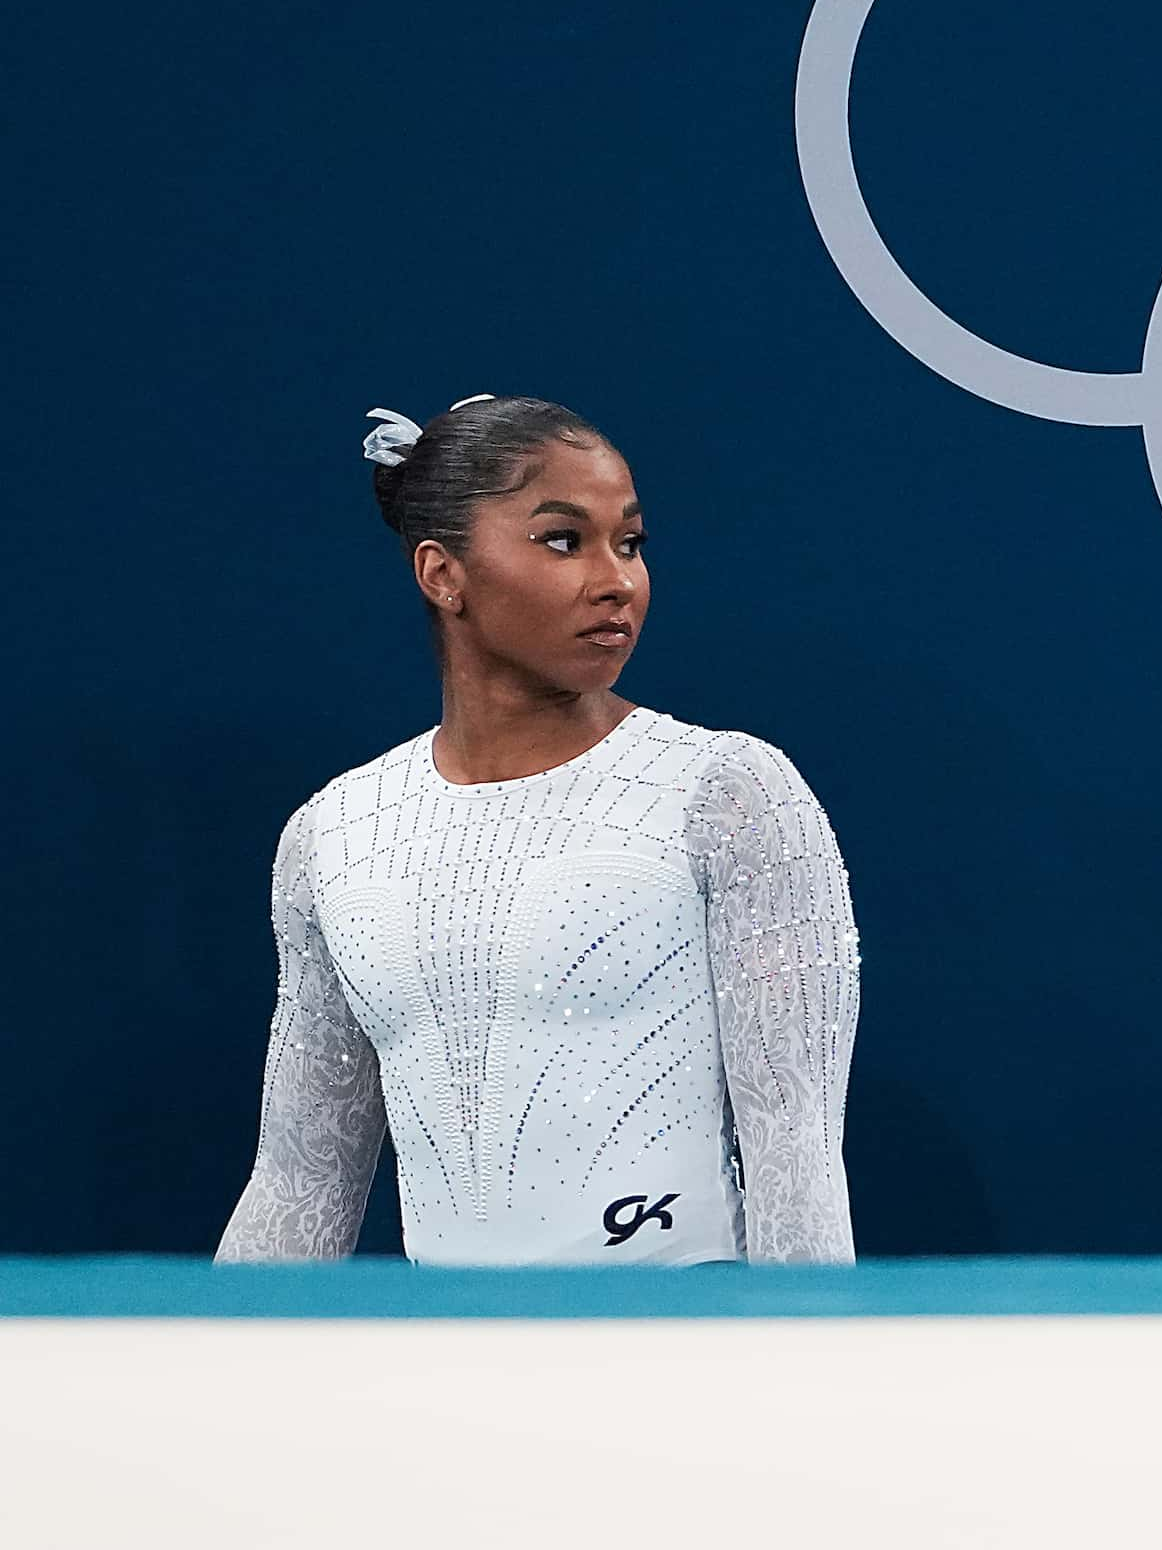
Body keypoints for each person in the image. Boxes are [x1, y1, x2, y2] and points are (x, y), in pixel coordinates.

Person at [216, 393, 861, 1264]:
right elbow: (300, 1180)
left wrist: (804, 1370)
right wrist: (237, 1373)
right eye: (563, 540)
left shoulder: (728, 793)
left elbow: (799, 1154)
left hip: (683, 1356)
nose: (616, 579)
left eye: (628, 542)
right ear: (443, 573)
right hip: (447, 1372)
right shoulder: (334, 833)